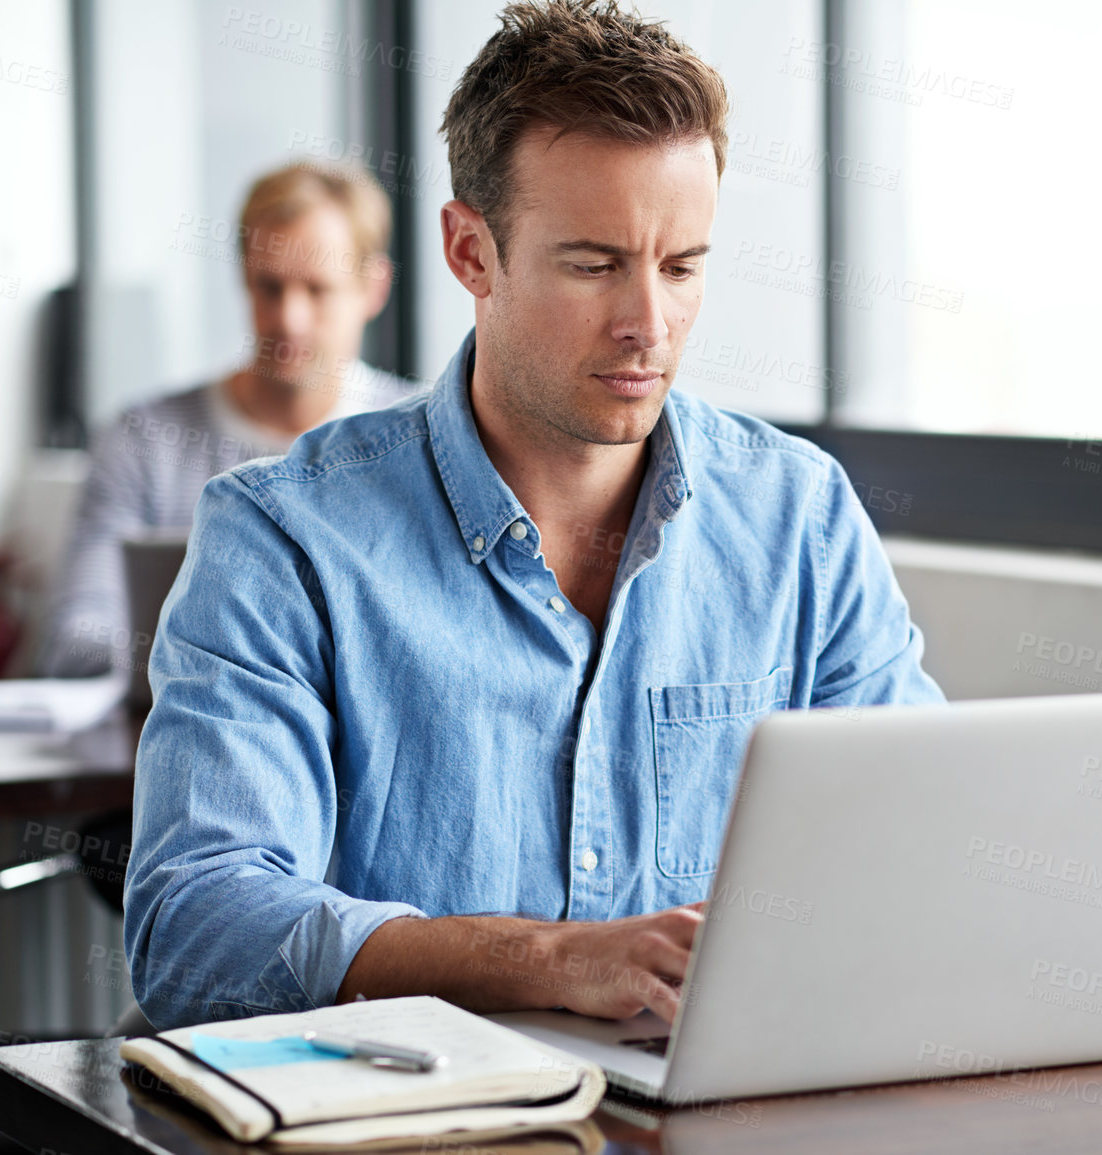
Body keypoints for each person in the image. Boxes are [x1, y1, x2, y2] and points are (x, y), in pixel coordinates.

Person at [125, 0, 944, 1032]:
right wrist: (553, 960)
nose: (649, 323)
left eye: (682, 266)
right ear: (472, 253)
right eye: (594, 264)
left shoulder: (800, 515)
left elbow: (919, 846)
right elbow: (195, 932)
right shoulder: (280, 539)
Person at [39, 162, 414, 677]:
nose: (289, 319)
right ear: (243, 278)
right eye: (270, 287)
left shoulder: (424, 436)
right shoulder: (142, 441)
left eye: (317, 290)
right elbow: (77, 640)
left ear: (373, 290)